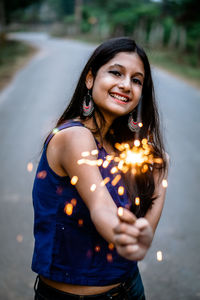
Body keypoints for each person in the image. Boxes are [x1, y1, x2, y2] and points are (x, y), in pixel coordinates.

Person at [32, 37, 168, 300]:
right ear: (90, 79)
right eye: (116, 72)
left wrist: (161, 178)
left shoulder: (124, 150)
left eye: (137, 80)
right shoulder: (74, 137)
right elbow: (101, 207)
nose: (126, 85)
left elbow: (138, 243)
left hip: (130, 288)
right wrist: (121, 233)